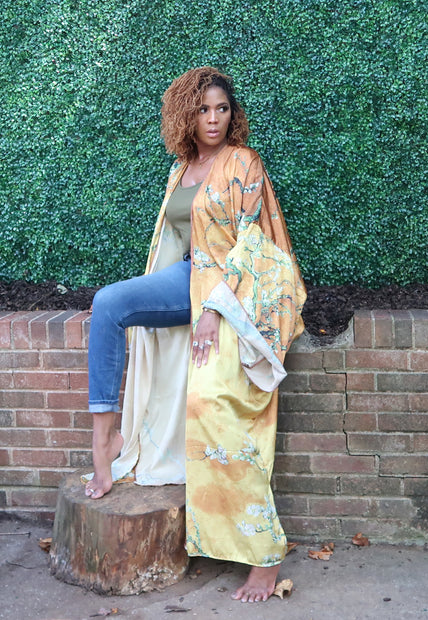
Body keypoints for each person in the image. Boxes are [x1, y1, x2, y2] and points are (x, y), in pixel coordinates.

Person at [84, 67, 306, 603]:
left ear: (233, 115)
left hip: (234, 293)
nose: (214, 119)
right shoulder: (182, 166)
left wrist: (213, 309)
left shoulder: (243, 162)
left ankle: (263, 557)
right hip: (188, 278)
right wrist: (192, 293)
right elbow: (176, 242)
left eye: (222, 109)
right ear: (187, 112)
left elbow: (251, 245)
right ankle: (106, 440)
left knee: (212, 403)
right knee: (108, 303)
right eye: (204, 109)